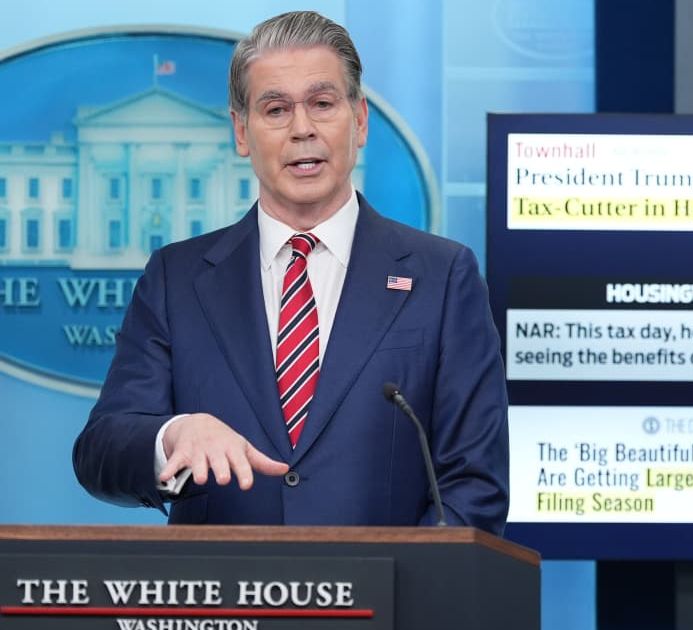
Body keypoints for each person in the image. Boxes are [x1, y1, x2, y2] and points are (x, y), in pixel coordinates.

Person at [72, 11, 508, 533]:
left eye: (322, 104)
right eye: (276, 109)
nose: (302, 129)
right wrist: (173, 435)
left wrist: (407, 587)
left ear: (360, 119)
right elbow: (101, 451)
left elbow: (474, 483)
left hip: (386, 603)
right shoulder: (176, 279)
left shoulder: (442, 276)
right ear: (241, 131)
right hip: (222, 606)